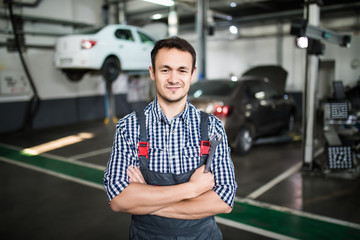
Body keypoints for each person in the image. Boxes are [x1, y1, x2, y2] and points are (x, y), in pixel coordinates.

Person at [104, 37, 237, 239]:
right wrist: (192, 189)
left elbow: (225, 200)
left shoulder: (212, 128)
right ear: (152, 72)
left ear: (192, 73)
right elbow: (119, 200)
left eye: (182, 70)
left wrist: (146, 201)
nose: (174, 79)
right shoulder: (128, 127)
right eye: (165, 70)